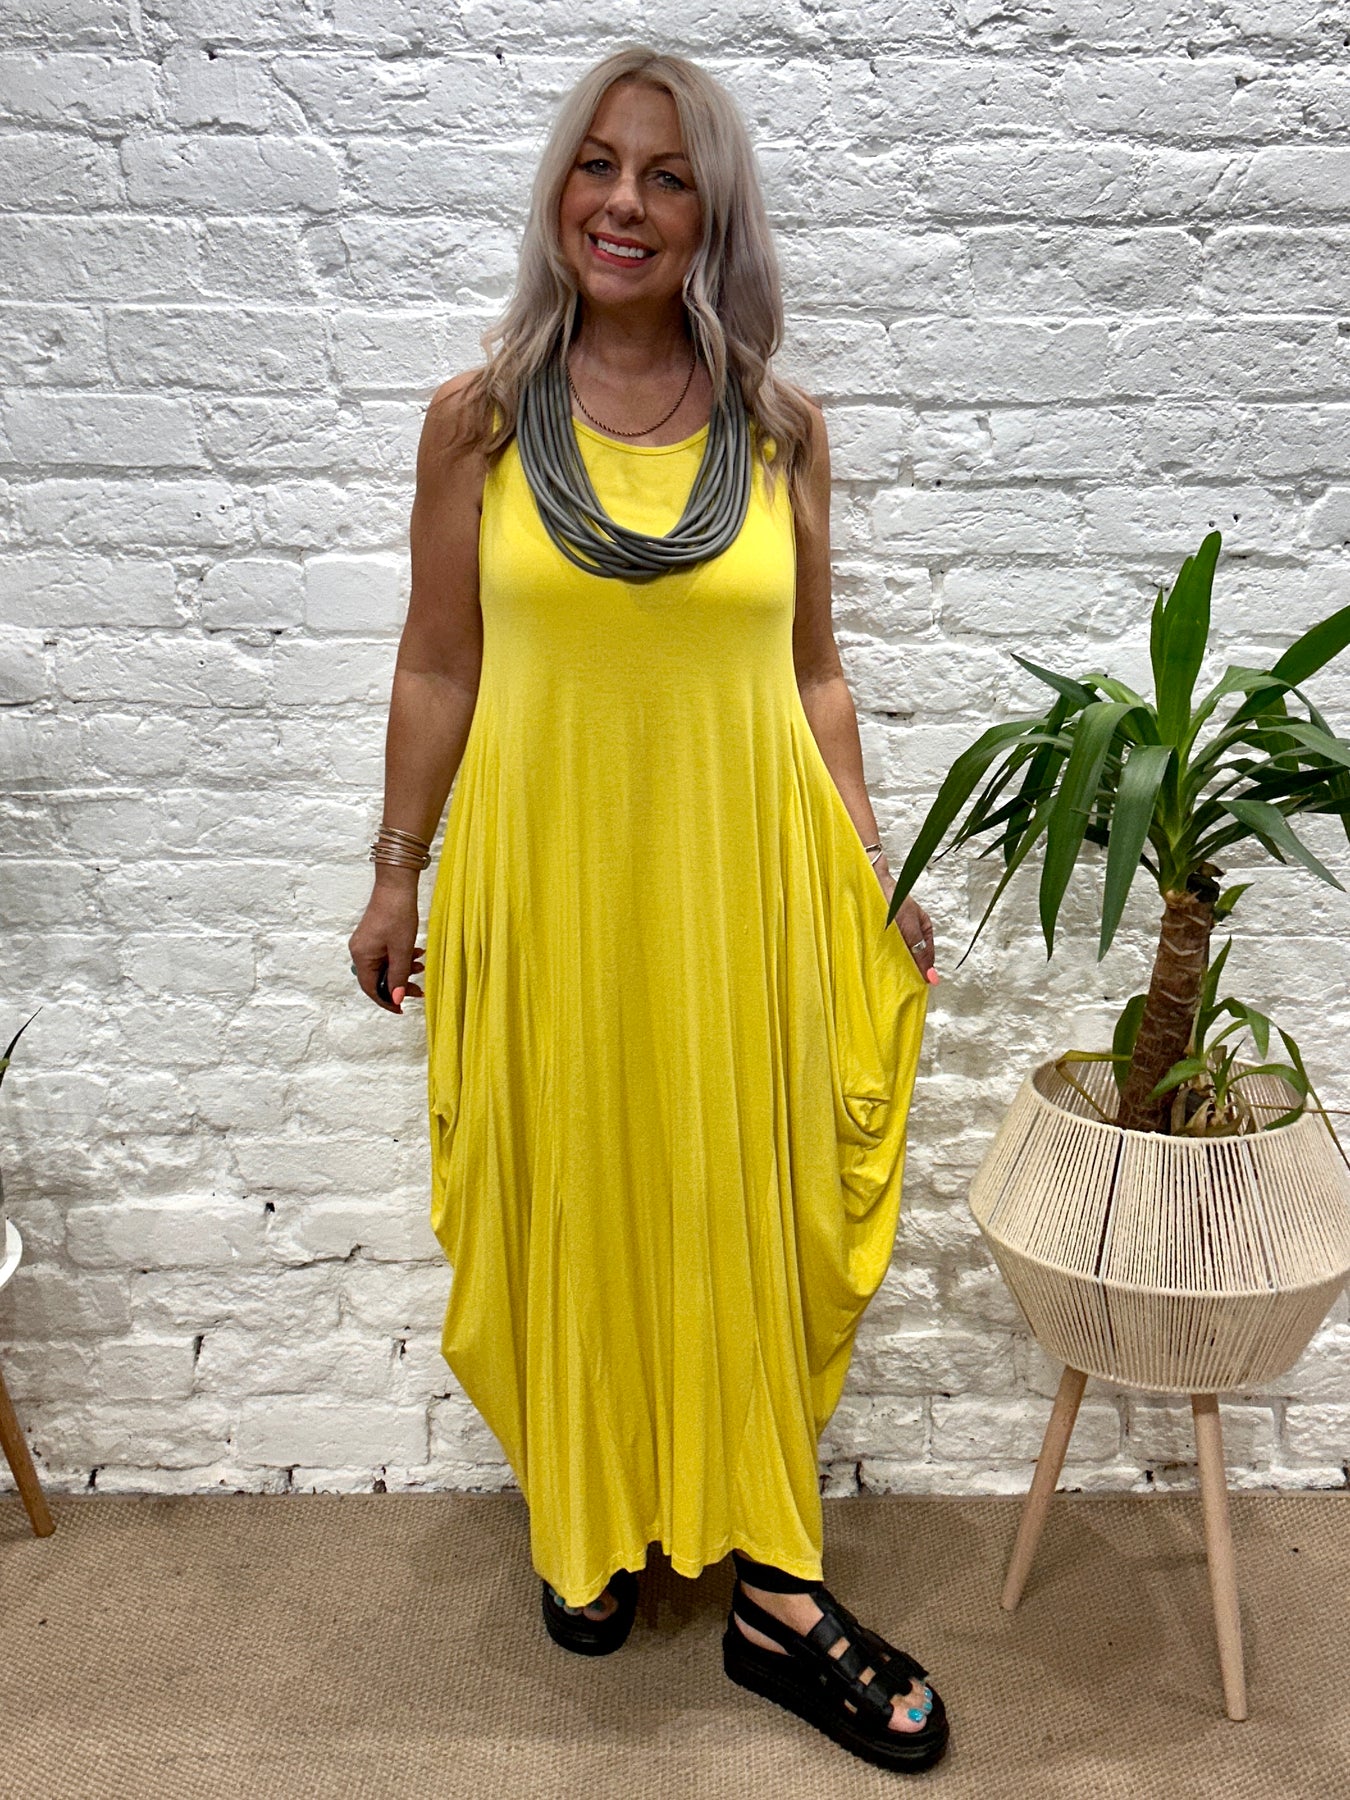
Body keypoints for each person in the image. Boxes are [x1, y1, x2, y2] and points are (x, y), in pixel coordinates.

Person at [347, 46, 948, 1776]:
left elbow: (813, 674)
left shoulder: (777, 428)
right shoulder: (475, 423)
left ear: (711, 214)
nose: (623, 200)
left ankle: (773, 1592)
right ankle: (591, 1514)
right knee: (570, 1187)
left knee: (740, 1202)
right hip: (549, 885)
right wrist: (395, 867)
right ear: (560, 191)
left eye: (666, 175)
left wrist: (865, 864)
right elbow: (438, 661)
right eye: (597, 164)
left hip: (737, 885)